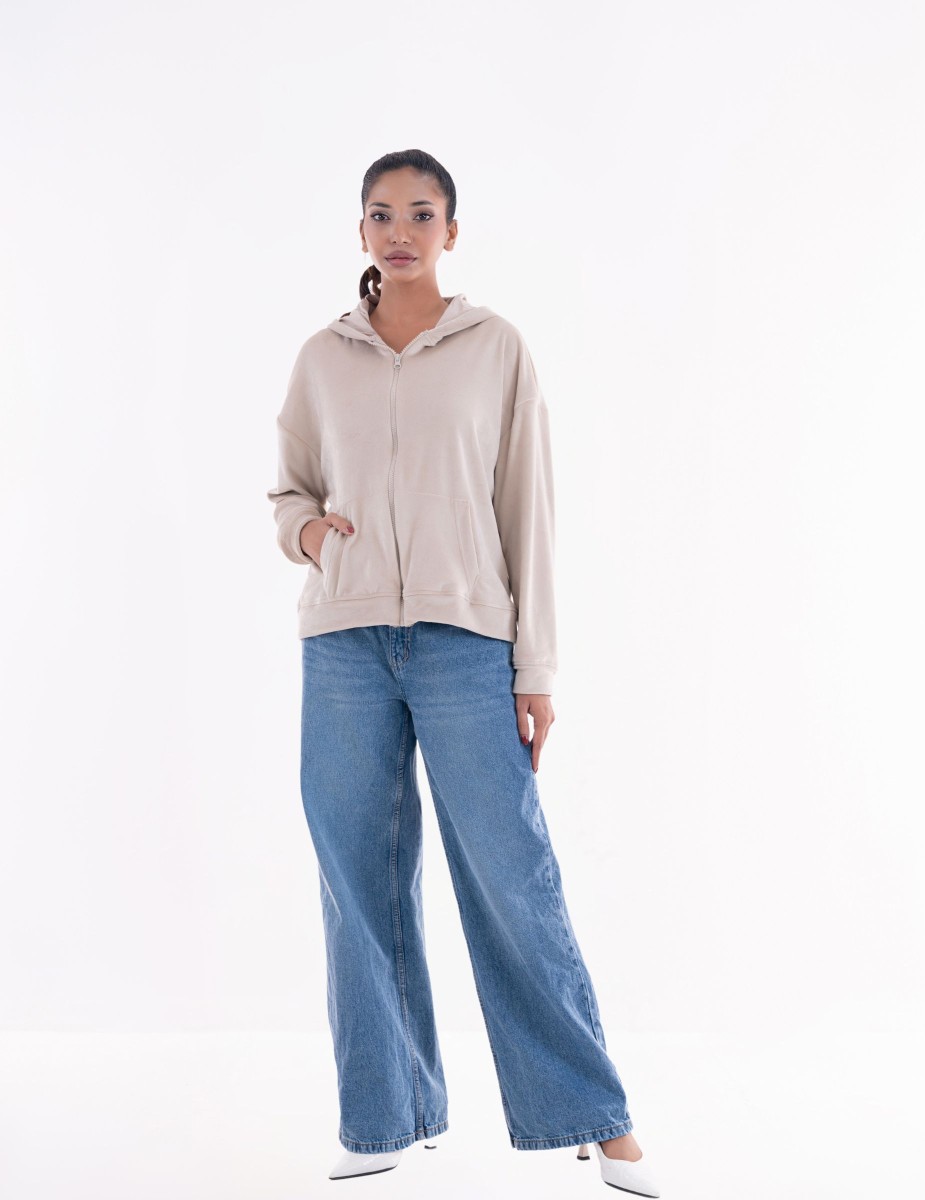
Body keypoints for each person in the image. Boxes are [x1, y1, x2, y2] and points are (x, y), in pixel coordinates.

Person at [266, 148, 661, 1197]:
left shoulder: (496, 348)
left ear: (451, 229)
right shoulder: (322, 357)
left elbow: (529, 508)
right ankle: (383, 1115)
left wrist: (536, 667)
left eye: (420, 213)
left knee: (511, 876)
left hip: (465, 642)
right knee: (358, 881)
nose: (399, 231)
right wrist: (310, 535)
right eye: (381, 214)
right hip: (345, 643)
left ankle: (594, 1116)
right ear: (360, 232)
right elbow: (288, 490)